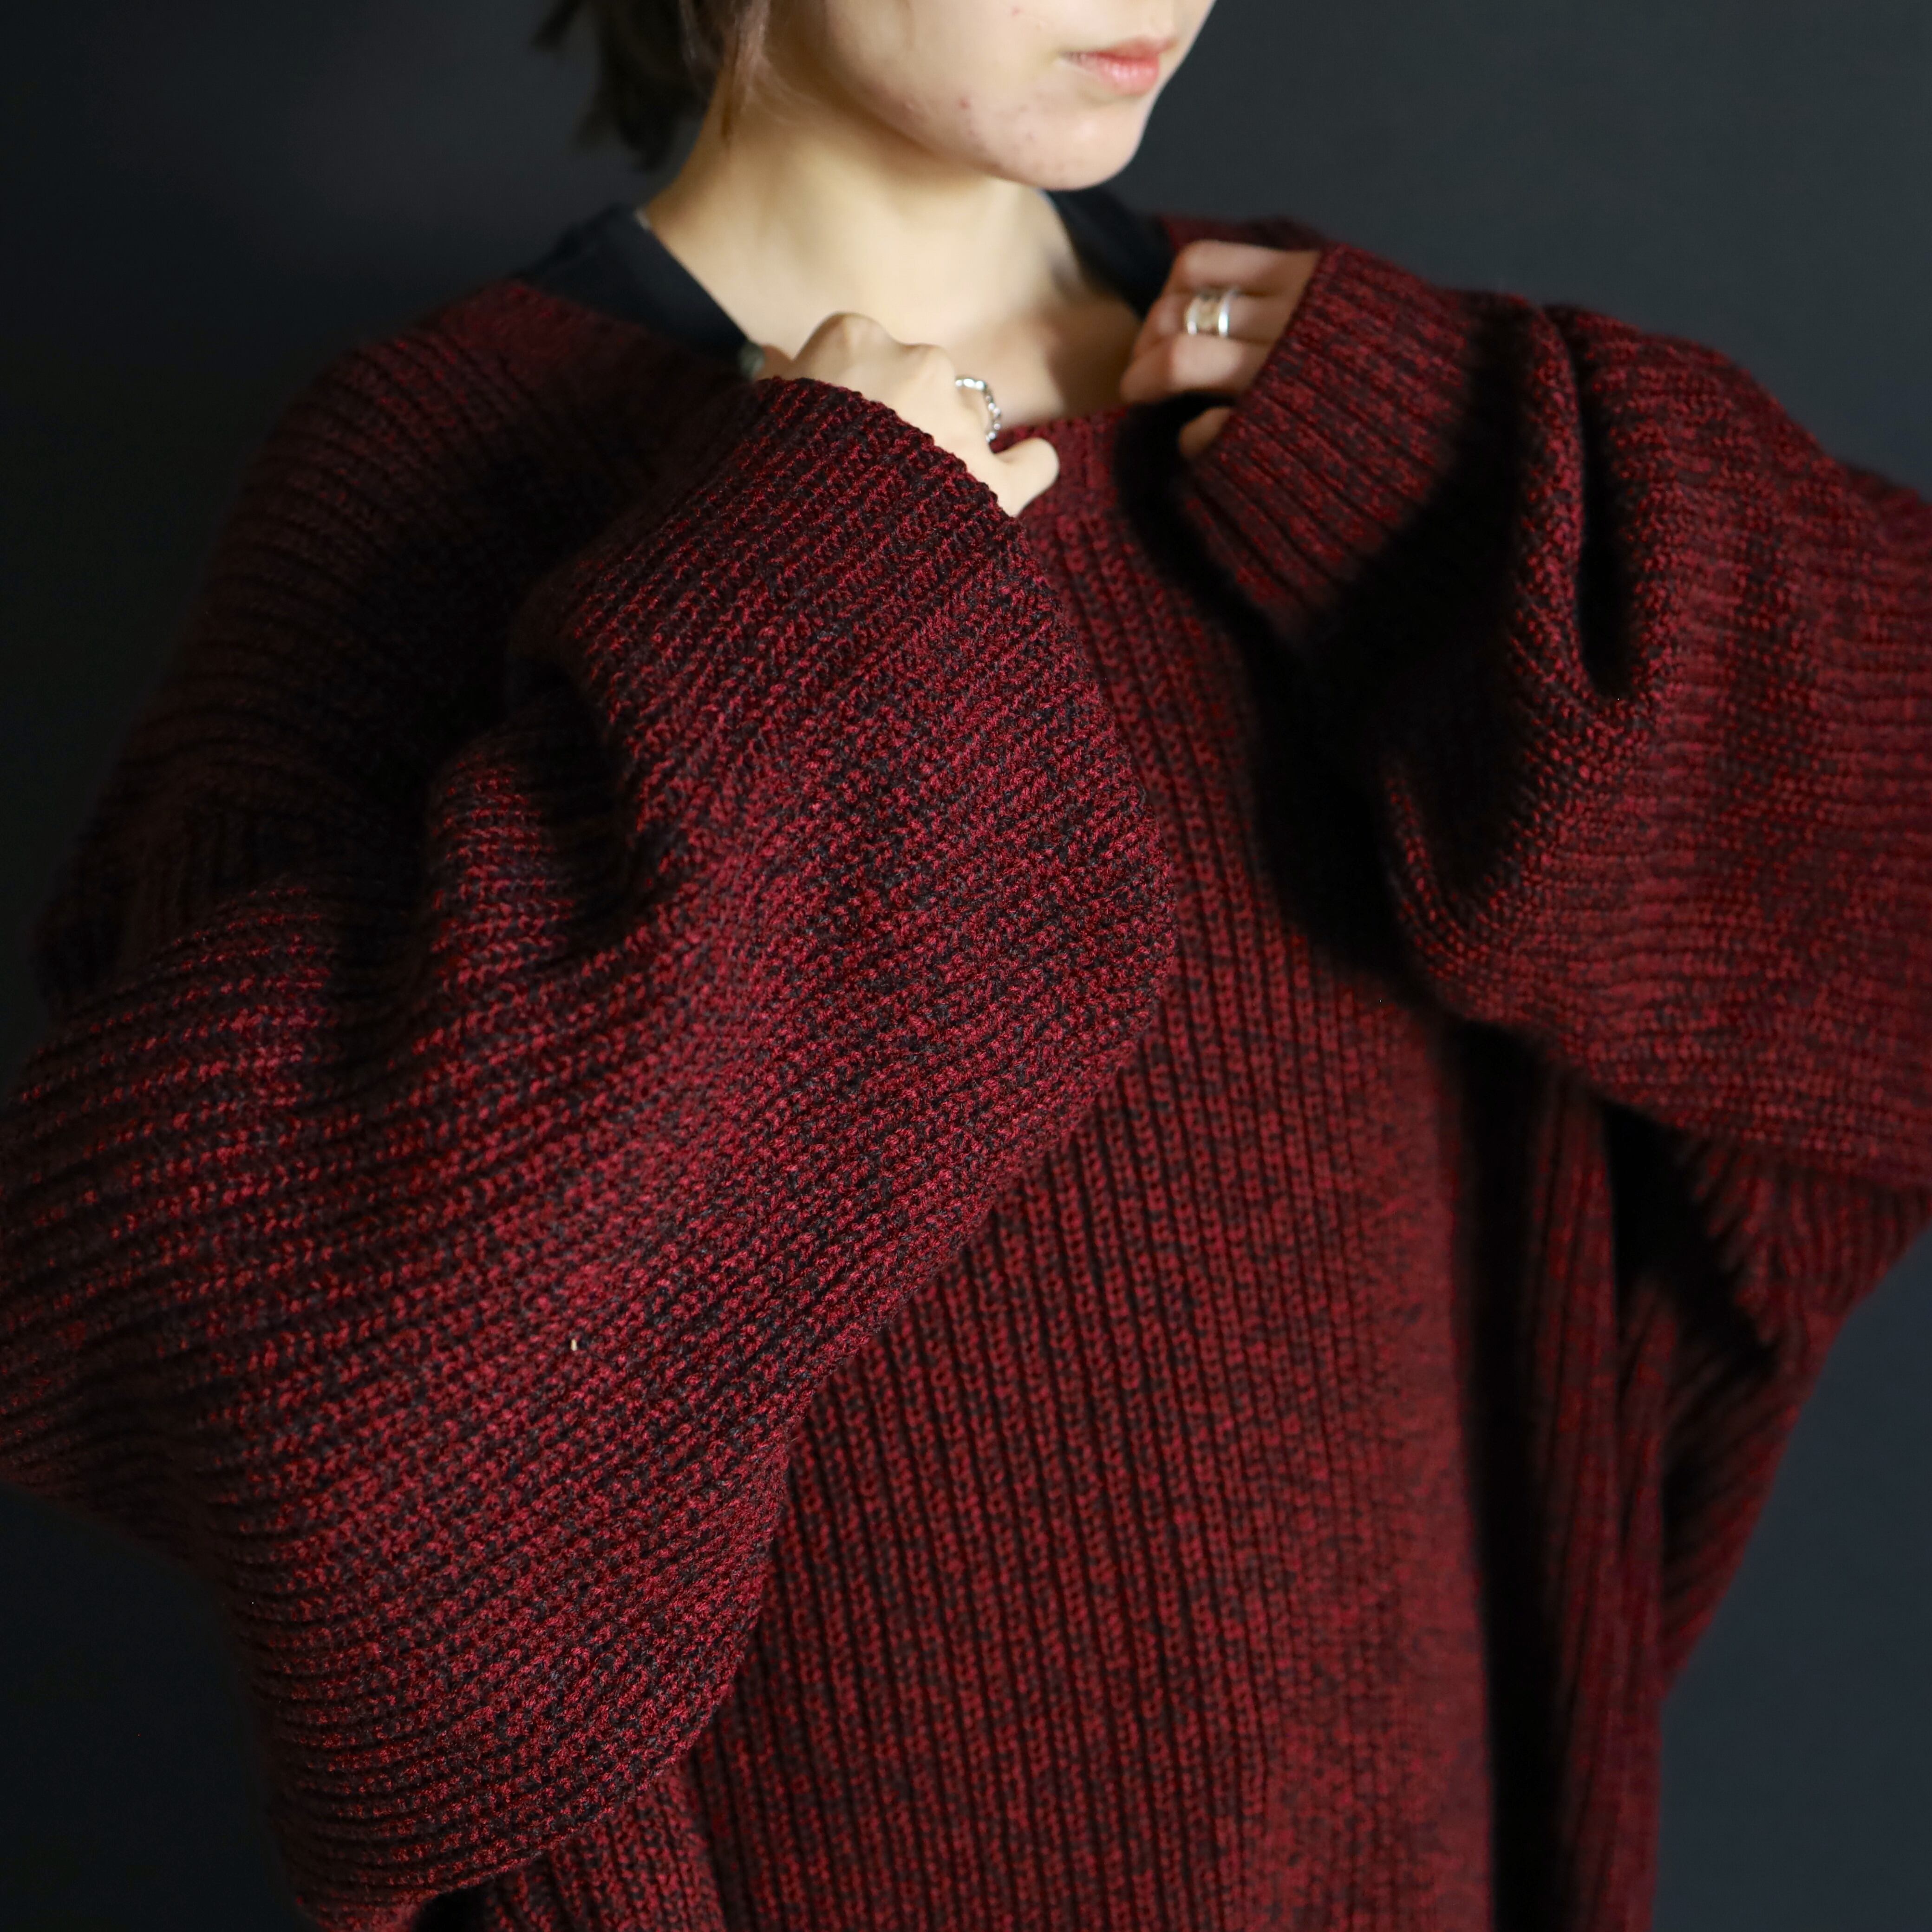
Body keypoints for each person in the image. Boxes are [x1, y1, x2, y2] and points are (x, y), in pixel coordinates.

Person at [2, 0, 1927, 1927]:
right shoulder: (442, 466)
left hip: (1413, 1839)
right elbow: (246, 1328)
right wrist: (799, 577)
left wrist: (1443, 458)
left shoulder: (1341, 402)